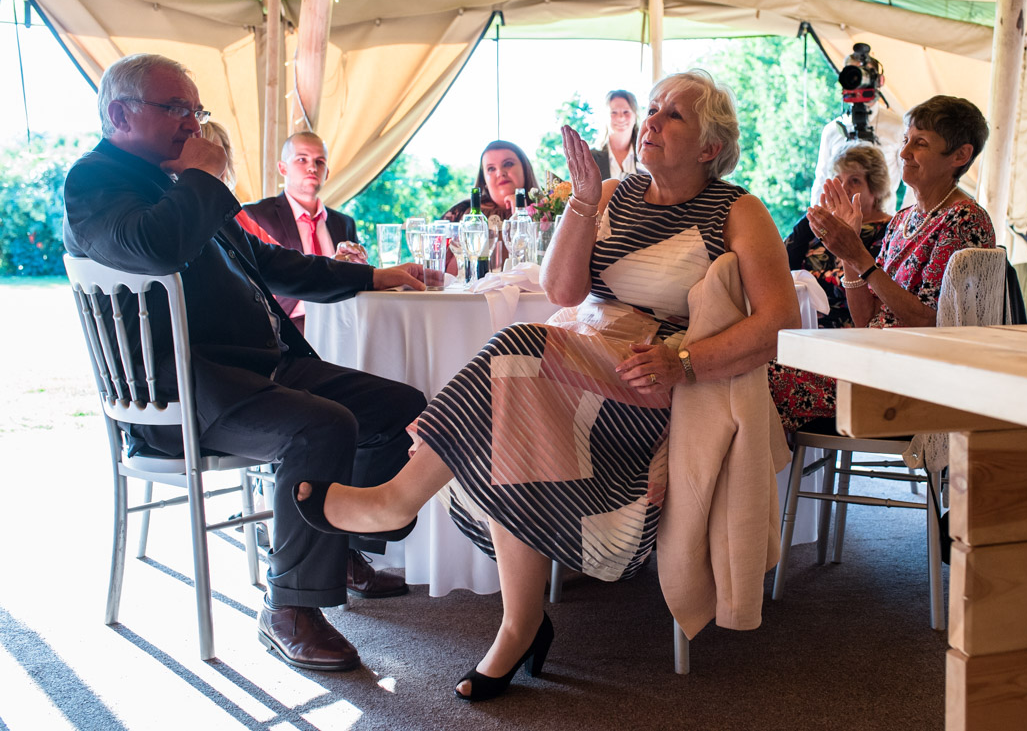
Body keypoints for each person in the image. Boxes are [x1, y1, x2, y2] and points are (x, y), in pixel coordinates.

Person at [293, 69, 800, 701]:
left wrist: (686, 361)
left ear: (709, 147)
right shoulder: (613, 190)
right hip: (578, 357)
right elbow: (563, 293)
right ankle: (518, 625)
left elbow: (781, 322)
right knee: (517, 407)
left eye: (673, 115)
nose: (652, 120)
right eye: (652, 108)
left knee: (516, 351)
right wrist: (585, 199)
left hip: (650, 378)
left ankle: (399, 500)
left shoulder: (738, 209)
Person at [62, 53, 430, 673]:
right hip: (183, 386)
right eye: (175, 108)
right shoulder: (94, 184)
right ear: (120, 113)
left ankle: (332, 538)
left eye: (195, 109)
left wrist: (373, 274)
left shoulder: (178, 186)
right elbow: (155, 248)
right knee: (323, 426)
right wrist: (203, 180)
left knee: (401, 408)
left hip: (262, 369)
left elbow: (274, 263)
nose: (192, 124)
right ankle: (288, 608)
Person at [771, 95, 996, 433]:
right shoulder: (903, 220)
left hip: (910, 379)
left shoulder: (964, 220)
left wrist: (858, 255)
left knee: (753, 377)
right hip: (873, 359)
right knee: (749, 366)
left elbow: (933, 325)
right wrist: (850, 252)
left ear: (960, 155)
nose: (903, 153)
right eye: (905, 140)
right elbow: (866, 319)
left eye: (919, 143)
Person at [242, 132, 366, 334]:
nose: (312, 167)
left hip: (344, 321)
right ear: (283, 168)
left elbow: (354, 277)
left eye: (320, 162)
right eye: (302, 159)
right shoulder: (257, 215)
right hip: (285, 328)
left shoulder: (345, 223)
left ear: (326, 173)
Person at [783, 142, 893, 329]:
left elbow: (872, 291)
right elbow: (782, 265)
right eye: (837, 179)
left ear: (875, 187)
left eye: (854, 180)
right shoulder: (821, 224)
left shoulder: (890, 229)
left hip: (853, 333)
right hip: (801, 327)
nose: (843, 188)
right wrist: (813, 217)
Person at [810, 48, 904, 211]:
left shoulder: (898, 126)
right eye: (853, 74)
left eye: (865, 75)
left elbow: (912, 181)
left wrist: (903, 224)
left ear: (879, 80)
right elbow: (821, 179)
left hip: (883, 222)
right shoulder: (832, 130)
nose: (859, 81)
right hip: (838, 219)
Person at [200, 121, 281, 247]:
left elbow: (270, 250)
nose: (217, 166)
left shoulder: (234, 214)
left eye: (220, 156)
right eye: (206, 157)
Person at [441, 140, 540, 222]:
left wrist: (522, 211)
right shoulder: (461, 211)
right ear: (484, 181)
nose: (500, 173)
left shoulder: (548, 209)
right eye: (491, 169)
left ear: (525, 170)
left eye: (508, 164)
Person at [590, 89, 642, 179]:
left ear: (635, 115)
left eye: (626, 112)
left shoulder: (646, 154)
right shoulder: (590, 158)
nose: (621, 118)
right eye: (614, 112)